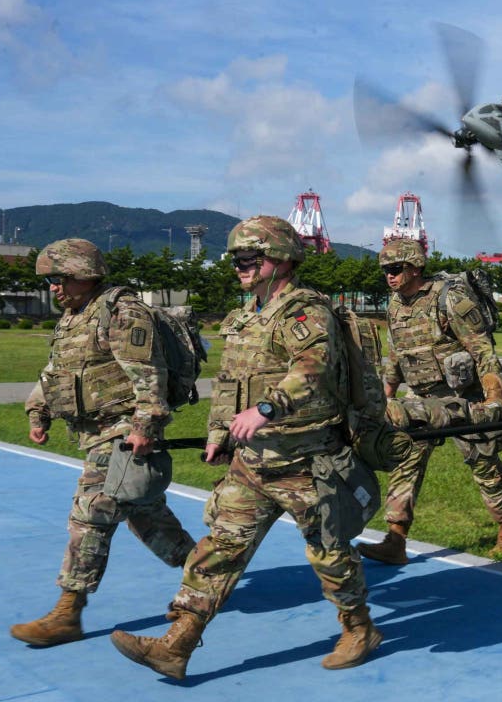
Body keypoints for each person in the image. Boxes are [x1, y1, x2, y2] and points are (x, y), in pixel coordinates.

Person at [110, 216, 380, 678]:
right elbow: (230, 383)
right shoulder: (244, 317)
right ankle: (177, 644)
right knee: (220, 547)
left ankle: (358, 628)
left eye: (250, 258)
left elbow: (312, 371)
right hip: (253, 462)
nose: (240, 266)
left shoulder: (304, 312)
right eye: (236, 259)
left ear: (282, 259)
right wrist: (220, 433)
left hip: (306, 460)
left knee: (329, 553)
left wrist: (268, 409)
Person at [11, 239, 196, 648]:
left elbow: (148, 375)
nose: (54, 288)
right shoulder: (73, 317)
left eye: (60, 279)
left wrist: (144, 426)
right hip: (97, 431)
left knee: (91, 512)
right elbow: (56, 371)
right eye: (50, 280)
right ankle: (206, 575)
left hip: (122, 432)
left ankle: (68, 611)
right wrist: (38, 410)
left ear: (84, 274)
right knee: (145, 515)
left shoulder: (122, 311)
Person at [358, 237, 502, 565]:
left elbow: (481, 349)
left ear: (416, 268)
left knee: (483, 463)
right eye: (385, 270)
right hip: (419, 397)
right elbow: (395, 355)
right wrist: (387, 396)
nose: (389, 275)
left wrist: (494, 398)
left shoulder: (448, 298)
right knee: (406, 460)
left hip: (461, 397)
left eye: (396, 268)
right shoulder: (395, 304)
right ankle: (395, 540)